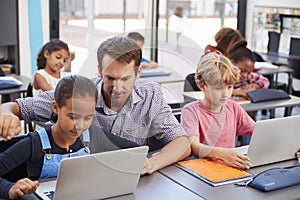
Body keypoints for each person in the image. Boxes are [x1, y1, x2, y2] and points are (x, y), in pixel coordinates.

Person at [0, 36, 191, 175]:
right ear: (99, 70)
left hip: (128, 182)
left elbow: (182, 142)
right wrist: (5, 112)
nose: (117, 88)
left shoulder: (151, 94)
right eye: (110, 78)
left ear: (138, 72)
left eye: (125, 78)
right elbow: (17, 108)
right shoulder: (79, 93)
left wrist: (151, 164)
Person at [0, 75, 98, 199]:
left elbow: (130, 150)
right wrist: (9, 188)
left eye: (88, 118)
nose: (80, 126)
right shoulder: (34, 143)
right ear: (55, 108)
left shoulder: (92, 135)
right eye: (73, 117)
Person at [181, 52, 255, 169]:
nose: (225, 94)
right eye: (218, 88)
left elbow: (258, 130)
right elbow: (193, 145)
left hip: (229, 167)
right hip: (202, 170)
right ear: (202, 85)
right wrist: (221, 154)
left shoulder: (233, 107)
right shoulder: (190, 111)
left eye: (230, 87)